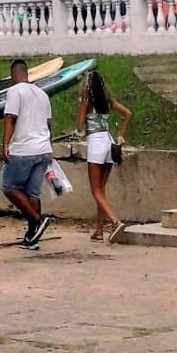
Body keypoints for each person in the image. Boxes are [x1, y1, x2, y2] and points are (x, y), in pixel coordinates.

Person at [0, 58, 53, 248]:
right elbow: (48, 124)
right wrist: (49, 146)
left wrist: (5, 144)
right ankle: (32, 236)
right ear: (27, 73)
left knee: (8, 186)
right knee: (33, 192)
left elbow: (10, 117)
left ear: (13, 74)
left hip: (23, 149)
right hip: (43, 149)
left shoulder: (14, 91)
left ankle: (38, 220)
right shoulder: (42, 94)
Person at [76, 69, 132, 243]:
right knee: (101, 189)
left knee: (95, 190)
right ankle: (99, 230)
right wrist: (120, 135)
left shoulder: (86, 103)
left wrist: (82, 111)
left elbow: (79, 127)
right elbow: (127, 114)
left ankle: (115, 222)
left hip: (96, 144)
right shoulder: (108, 102)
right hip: (109, 142)